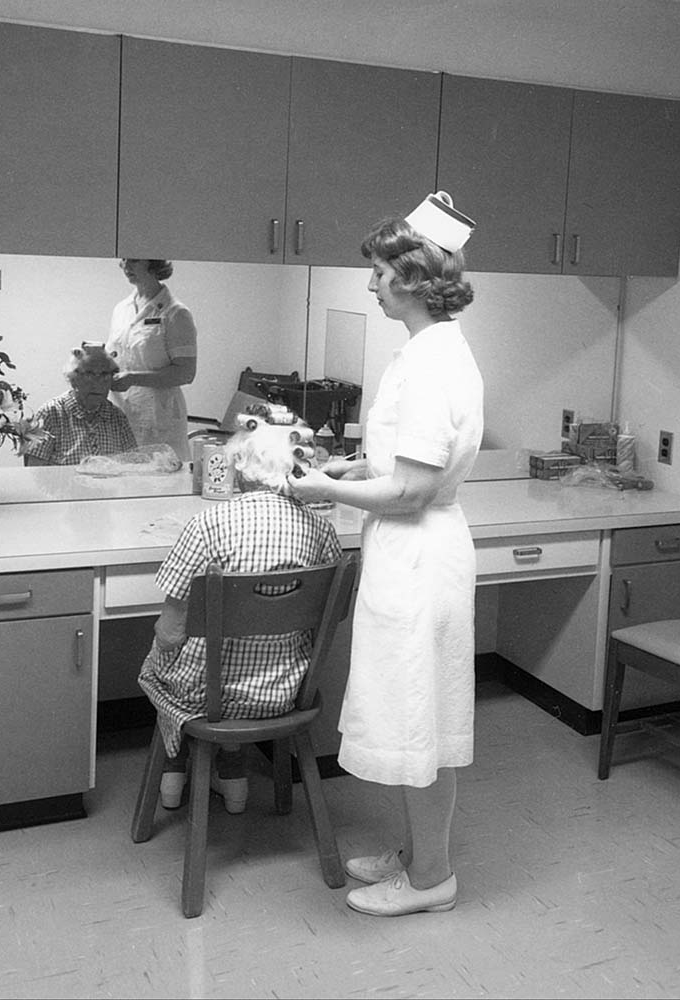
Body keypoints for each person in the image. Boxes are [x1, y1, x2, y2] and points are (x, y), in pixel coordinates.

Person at [287, 192, 483, 917]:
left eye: (377, 271)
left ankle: (432, 879)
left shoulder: (432, 363)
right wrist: (355, 467)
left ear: (411, 277)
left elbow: (412, 490)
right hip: (414, 548)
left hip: (419, 555)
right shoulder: (429, 350)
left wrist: (323, 489)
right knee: (411, 720)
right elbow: (405, 466)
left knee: (417, 723)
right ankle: (417, 855)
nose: (370, 284)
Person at [138, 422, 342, 815]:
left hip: (207, 696)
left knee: (158, 662)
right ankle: (231, 765)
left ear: (240, 468)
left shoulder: (208, 525)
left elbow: (171, 630)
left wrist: (162, 652)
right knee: (236, 660)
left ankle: (175, 762)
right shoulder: (320, 529)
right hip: (283, 690)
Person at [106, 258, 197, 464]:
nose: (127, 266)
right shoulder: (121, 309)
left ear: (154, 263)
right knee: (122, 474)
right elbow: (117, 355)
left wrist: (133, 378)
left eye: (134, 260)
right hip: (122, 412)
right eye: (124, 259)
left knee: (158, 476)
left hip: (158, 416)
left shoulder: (176, 313)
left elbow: (186, 373)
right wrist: (91, 359)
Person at [23, 344, 137, 466]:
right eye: (89, 375)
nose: (97, 384)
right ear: (73, 380)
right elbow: (35, 470)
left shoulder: (117, 417)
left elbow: (132, 465)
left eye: (104, 375)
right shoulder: (50, 414)